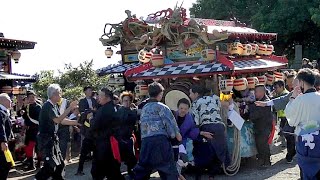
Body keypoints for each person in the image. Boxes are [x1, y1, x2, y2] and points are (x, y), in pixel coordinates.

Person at [133, 82, 182, 180]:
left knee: (143, 170)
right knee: (168, 171)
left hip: (146, 142)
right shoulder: (162, 107)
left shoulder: (144, 109)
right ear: (160, 94)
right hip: (160, 142)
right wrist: (177, 136)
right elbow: (171, 126)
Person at [35, 84, 80, 180]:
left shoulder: (54, 106)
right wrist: (70, 108)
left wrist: (77, 122)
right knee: (50, 166)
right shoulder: (48, 106)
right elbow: (58, 120)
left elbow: (62, 120)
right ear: (53, 94)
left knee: (60, 164)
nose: (61, 96)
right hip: (46, 140)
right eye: (59, 93)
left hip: (53, 139)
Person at [285, 68, 320, 179]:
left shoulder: (300, 100)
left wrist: (293, 97)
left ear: (302, 82)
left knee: (306, 172)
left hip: (305, 141)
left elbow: (291, 119)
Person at [189, 85, 229, 179]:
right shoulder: (214, 98)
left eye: (190, 93)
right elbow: (226, 105)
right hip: (219, 126)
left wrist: (196, 132)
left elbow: (196, 121)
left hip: (206, 127)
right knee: (219, 151)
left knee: (204, 152)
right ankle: (212, 175)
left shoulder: (195, 103)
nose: (189, 95)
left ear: (196, 94)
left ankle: (199, 175)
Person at [172, 98, 213, 180]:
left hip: (182, 142)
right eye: (181, 108)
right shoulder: (172, 115)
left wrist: (201, 133)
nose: (183, 110)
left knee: (181, 161)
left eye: (185, 109)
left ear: (188, 109)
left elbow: (191, 131)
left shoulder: (189, 118)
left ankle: (180, 175)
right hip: (170, 141)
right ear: (177, 107)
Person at [89, 88, 125, 180]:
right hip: (112, 141)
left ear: (107, 97)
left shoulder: (104, 110)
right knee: (113, 171)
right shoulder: (114, 107)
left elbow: (94, 126)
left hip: (104, 144)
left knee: (98, 171)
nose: (98, 98)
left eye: (100, 96)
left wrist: (90, 119)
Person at [114, 91, 138, 178]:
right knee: (118, 158)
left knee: (131, 158)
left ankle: (130, 172)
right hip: (119, 138)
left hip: (128, 137)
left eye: (128, 100)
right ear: (122, 101)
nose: (127, 102)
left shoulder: (133, 112)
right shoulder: (119, 111)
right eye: (125, 100)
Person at [249, 84, 273, 168]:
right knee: (259, 144)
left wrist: (248, 111)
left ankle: (267, 161)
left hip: (264, 127)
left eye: (256, 92)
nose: (254, 94)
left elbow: (255, 115)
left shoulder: (265, 101)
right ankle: (262, 160)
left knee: (263, 144)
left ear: (262, 92)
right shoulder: (259, 100)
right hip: (260, 127)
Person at [273, 80, 295, 163]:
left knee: (289, 137)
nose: (275, 89)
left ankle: (291, 154)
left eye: (276, 87)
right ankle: (291, 153)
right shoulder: (280, 94)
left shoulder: (286, 95)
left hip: (287, 118)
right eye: (274, 87)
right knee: (287, 136)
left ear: (282, 87)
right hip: (283, 118)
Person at [22, 90, 42, 170]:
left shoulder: (38, 107)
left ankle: (39, 163)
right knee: (28, 147)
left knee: (37, 147)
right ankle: (31, 164)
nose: (31, 99)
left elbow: (39, 119)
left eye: (33, 97)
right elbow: (23, 117)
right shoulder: (26, 106)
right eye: (30, 97)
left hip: (36, 129)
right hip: (29, 130)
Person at [0, 93, 13, 180]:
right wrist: (3, 141)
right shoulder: (0, 112)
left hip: (4, 142)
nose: (11, 101)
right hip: (2, 143)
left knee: (6, 163)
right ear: (3, 101)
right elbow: (0, 127)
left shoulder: (5, 111)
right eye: (9, 99)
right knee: (5, 164)